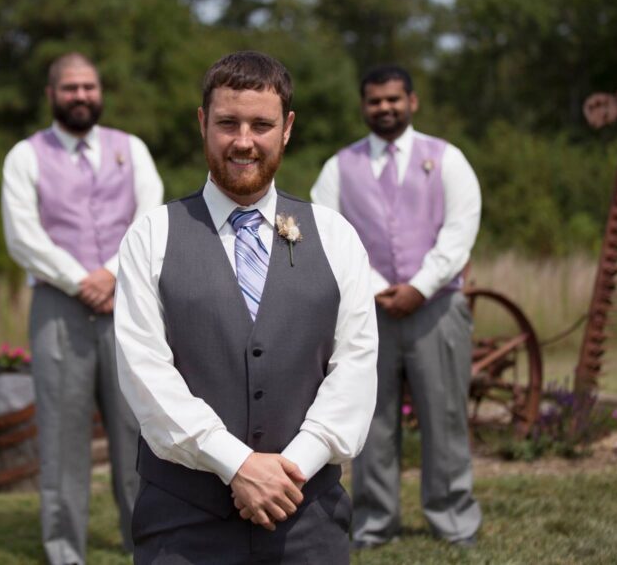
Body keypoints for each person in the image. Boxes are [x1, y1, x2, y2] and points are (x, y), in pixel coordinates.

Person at [113, 51, 378, 564]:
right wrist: (237, 465)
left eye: (261, 124)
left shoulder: (336, 236)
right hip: (181, 522)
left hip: (307, 518)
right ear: (202, 123)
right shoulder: (151, 236)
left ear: (287, 129)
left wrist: (288, 472)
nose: (243, 141)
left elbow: (355, 369)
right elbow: (145, 374)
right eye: (227, 123)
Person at [310, 64, 482, 548]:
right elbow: (328, 233)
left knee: (445, 417)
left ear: (412, 101)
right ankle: (372, 522)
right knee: (372, 421)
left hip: (438, 310)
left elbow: (459, 232)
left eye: (393, 99)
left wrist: (420, 287)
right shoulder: (338, 167)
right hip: (368, 312)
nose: (384, 108)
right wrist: (379, 286)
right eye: (375, 101)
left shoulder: (447, 159)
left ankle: (454, 520)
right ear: (363, 106)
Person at [1, 52, 164, 565]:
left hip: (127, 303)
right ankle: (65, 551)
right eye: (70, 88)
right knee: (62, 440)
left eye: (89, 87)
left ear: (100, 92)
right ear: (51, 95)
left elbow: (150, 215)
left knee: (137, 434)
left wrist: (113, 272)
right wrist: (81, 281)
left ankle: (146, 542)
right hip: (58, 308)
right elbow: (22, 235)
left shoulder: (130, 149)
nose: (81, 96)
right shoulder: (25, 156)